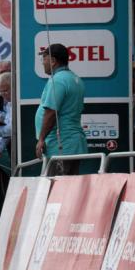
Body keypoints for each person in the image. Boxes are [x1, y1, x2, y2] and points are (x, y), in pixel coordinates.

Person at [35, 43, 88, 175]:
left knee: (56, 190)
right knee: (69, 190)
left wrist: (41, 139)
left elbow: (51, 112)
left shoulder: (57, 80)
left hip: (60, 146)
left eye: (44, 58)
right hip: (73, 145)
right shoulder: (75, 79)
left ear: (53, 61)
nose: (43, 63)